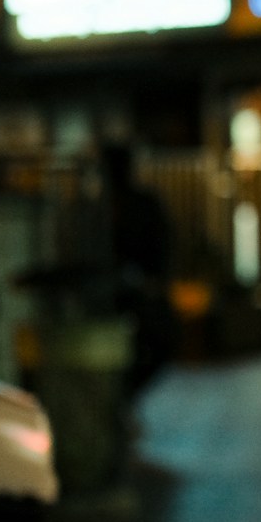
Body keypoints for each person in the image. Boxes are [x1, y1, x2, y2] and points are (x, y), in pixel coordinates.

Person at [98, 144, 176, 396]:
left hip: (139, 289)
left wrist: (157, 280)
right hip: (117, 291)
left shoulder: (135, 202)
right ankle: (122, 402)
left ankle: (123, 400)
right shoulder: (103, 205)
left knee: (156, 345)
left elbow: (163, 243)